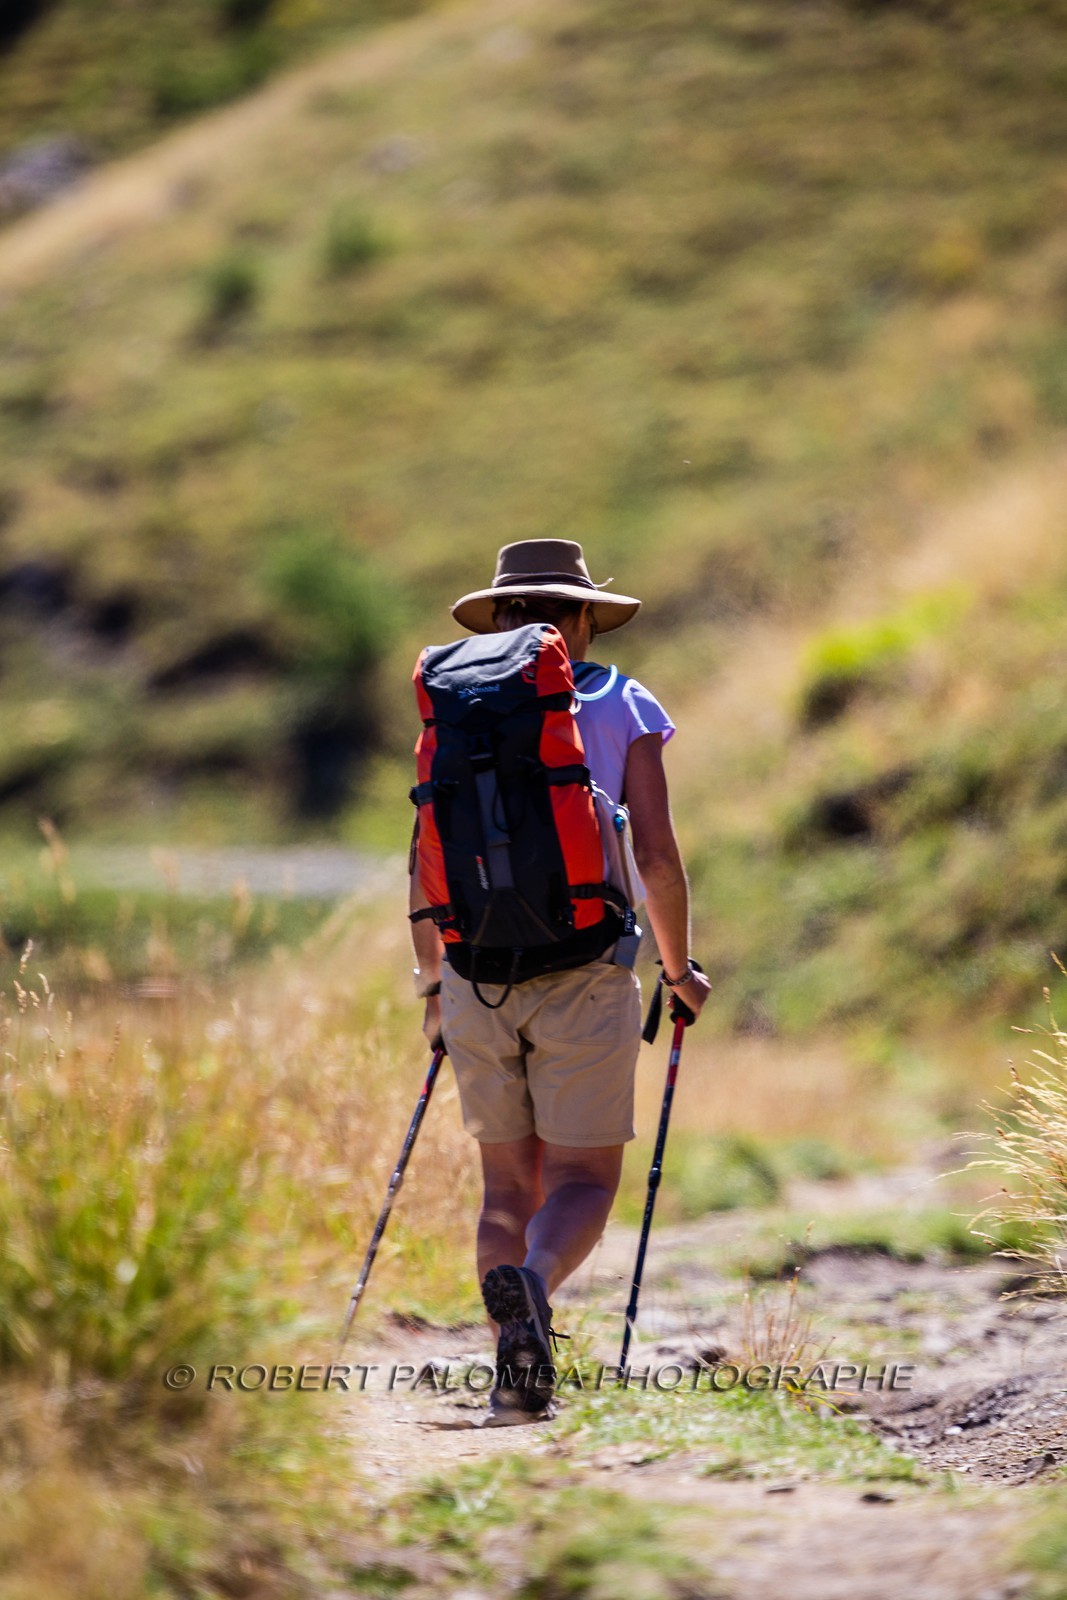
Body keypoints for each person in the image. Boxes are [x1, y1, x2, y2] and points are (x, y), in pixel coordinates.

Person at [408, 539, 710, 1419]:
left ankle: (512, 1372)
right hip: (585, 971)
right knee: (581, 1179)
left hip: (473, 974)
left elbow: (424, 853)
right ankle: (535, 1288)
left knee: (506, 1188)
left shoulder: (454, 705)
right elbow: (655, 855)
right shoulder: (622, 700)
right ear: (582, 617)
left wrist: (432, 986)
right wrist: (679, 969)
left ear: (500, 615)